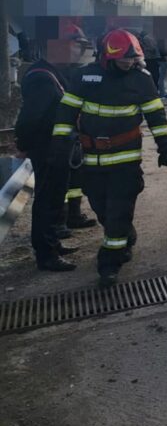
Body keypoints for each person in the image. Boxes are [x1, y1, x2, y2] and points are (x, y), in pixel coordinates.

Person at [51, 29, 167, 288]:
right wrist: (60, 145)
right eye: (123, 59)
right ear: (108, 58)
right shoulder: (85, 76)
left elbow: (156, 115)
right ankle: (125, 235)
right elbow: (66, 112)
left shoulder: (142, 79)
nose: (129, 63)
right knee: (102, 209)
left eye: (132, 58)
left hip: (126, 161)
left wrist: (165, 146)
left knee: (118, 211)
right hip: (92, 160)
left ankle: (109, 264)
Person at [14, 24, 90, 271]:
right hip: (46, 149)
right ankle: (46, 254)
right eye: (77, 45)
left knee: (56, 198)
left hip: (58, 148)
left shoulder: (53, 72)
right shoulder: (41, 78)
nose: (80, 51)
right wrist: (23, 146)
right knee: (47, 201)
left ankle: (54, 243)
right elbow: (30, 119)